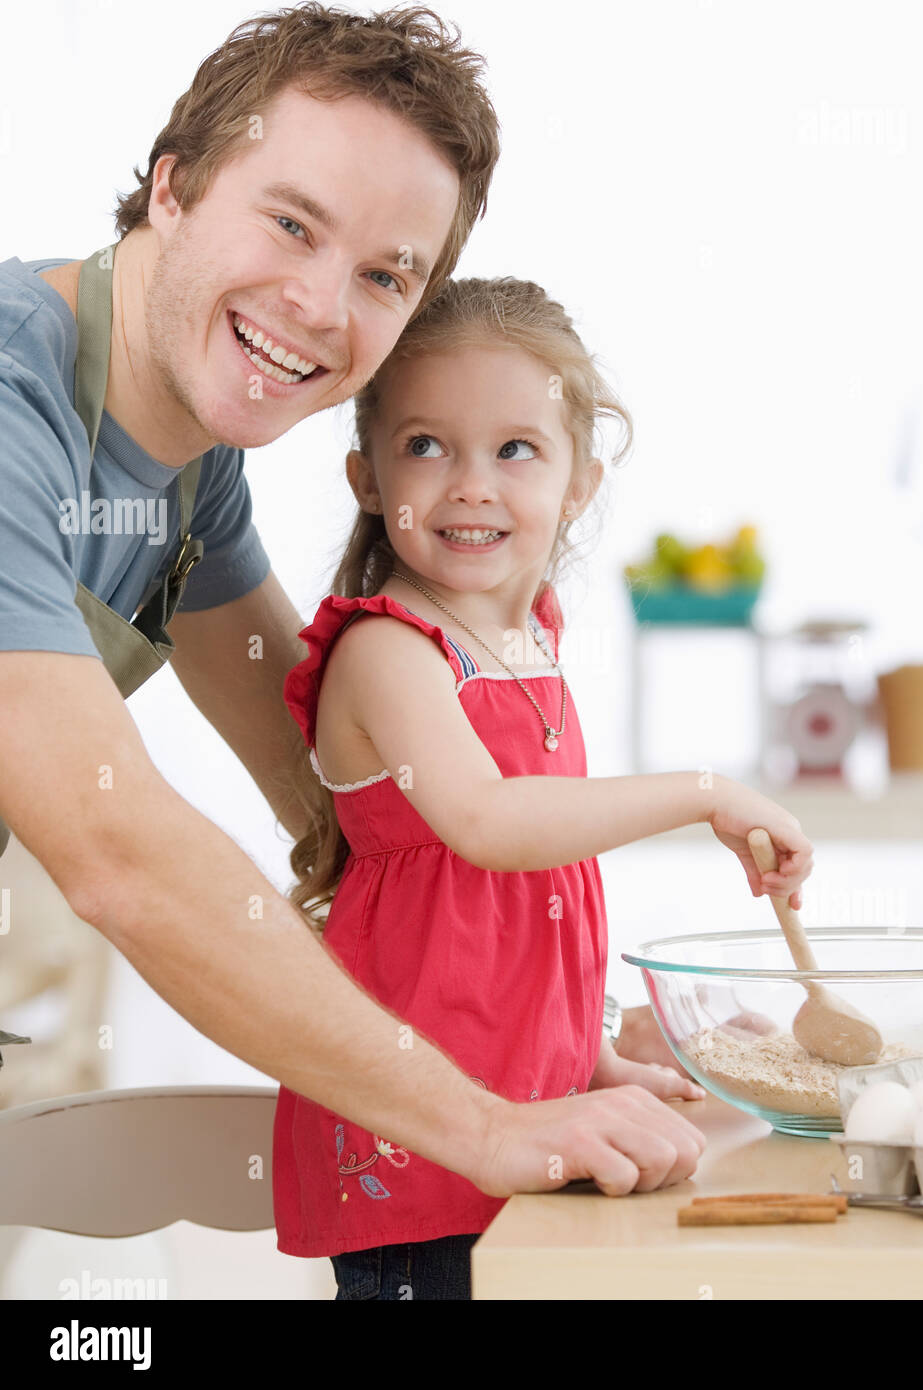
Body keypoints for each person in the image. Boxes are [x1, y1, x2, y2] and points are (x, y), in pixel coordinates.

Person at [0, 4, 719, 1218]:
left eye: (385, 274)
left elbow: (344, 806)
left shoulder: (188, 467)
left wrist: (563, 1031)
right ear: (171, 186)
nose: (324, 308)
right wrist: (485, 1123)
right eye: (291, 222)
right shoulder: (17, 400)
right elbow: (116, 851)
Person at [274, 275, 815, 1299]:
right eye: (426, 445)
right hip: (421, 1127)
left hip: (526, 1118)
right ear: (366, 475)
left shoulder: (528, 642)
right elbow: (490, 826)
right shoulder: (390, 649)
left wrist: (586, 1056)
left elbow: (518, 916)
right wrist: (702, 791)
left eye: (514, 449)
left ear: (577, 483)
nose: (470, 483)